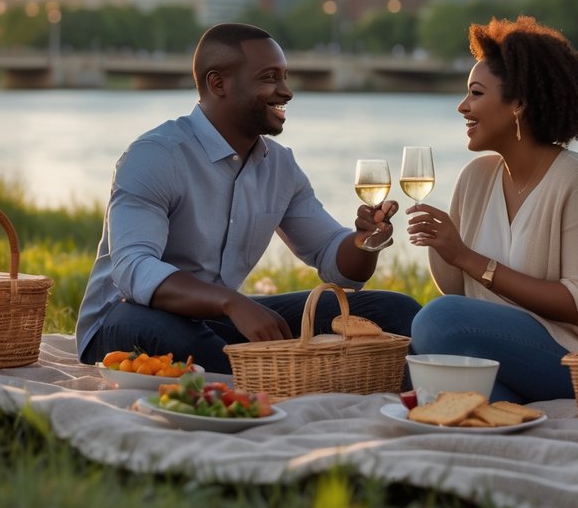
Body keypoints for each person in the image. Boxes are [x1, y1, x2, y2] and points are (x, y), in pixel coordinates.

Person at [76, 22, 421, 374]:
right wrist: (231, 302)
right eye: (270, 78)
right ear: (218, 83)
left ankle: (256, 370)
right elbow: (134, 269)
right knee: (158, 330)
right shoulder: (155, 155)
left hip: (213, 318)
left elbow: (334, 260)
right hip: (123, 318)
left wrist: (364, 243)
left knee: (396, 311)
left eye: (285, 77)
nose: (286, 91)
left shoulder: (281, 166)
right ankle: (271, 375)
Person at [405, 16, 578, 403]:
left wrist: (467, 257)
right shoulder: (476, 178)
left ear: (518, 103)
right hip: (517, 351)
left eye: (476, 94)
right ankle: (495, 399)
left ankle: (480, 395)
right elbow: (458, 288)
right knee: (407, 334)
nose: (462, 106)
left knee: (438, 320)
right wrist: (441, 243)